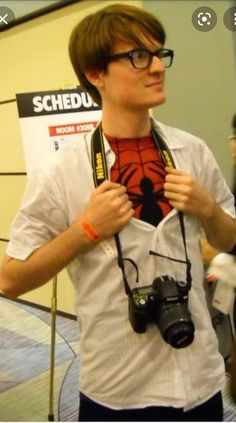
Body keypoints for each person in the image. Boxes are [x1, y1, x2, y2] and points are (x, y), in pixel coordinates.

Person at [0, 4, 236, 421]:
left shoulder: (192, 151)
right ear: (95, 74)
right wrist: (86, 229)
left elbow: (229, 239)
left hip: (199, 379)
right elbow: (11, 278)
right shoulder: (61, 171)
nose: (157, 67)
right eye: (137, 56)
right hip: (117, 389)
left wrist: (208, 208)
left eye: (159, 54)